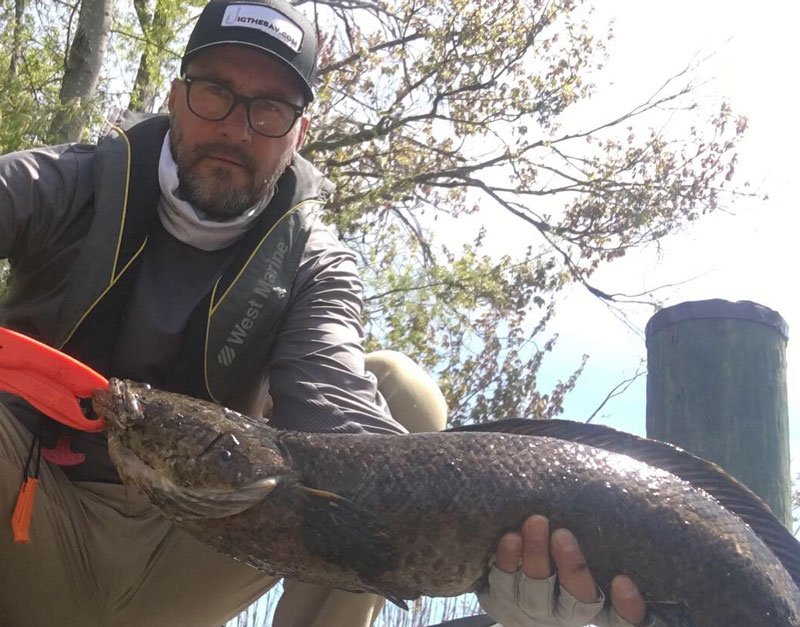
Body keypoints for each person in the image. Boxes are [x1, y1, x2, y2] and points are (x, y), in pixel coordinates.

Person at [0, 0, 652, 625]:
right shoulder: (67, 183)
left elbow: (342, 419)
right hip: (33, 536)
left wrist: (496, 556)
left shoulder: (316, 263)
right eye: (215, 92)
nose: (235, 126)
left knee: (404, 399)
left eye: (271, 108)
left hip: (196, 552)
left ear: (300, 134)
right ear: (174, 97)